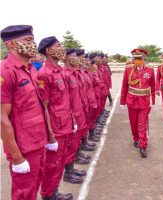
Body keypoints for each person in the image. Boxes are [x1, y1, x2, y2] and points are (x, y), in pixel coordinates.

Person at [1, 25, 49, 200]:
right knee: (24, 194)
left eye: (33, 40)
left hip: (38, 141)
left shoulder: (31, 69)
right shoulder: (5, 71)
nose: (33, 44)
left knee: (34, 188)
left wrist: (49, 137)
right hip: (23, 147)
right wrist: (16, 157)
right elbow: (2, 118)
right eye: (28, 41)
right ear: (12, 44)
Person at [37, 36, 75, 200]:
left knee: (59, 162)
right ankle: (48, 194)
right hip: (55, 127)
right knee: (52, 163)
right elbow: (44, 106)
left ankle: (54, 191)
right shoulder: (44, 74)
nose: (62, 48)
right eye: (58, 46)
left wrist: (72, 119)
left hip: (65, 123)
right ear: (48, 50)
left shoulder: (60, 71)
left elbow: (66, 100)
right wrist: (50, 134)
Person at [120, 48, 155, 158]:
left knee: (142, 124)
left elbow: (153, 85)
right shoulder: (128, 70)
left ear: (144, 58)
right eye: (135, 58)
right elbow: (124, 86)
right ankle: (136, 138)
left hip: (144, 101)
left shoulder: (150, 70)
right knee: (133, 123)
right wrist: (122, 102)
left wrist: (153, 100)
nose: (138, 60)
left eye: (140, 58)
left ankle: (143, 145)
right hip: (132, 100)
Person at [63, 48, 89, 184]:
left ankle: (72, 168)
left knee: (76, 142)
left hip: (80, 112)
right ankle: (68, 172)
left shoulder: (74, 73)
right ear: (66, 58)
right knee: (70, 145)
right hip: (71, 116)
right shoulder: (65, 74)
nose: (77, 58)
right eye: (73, 56)